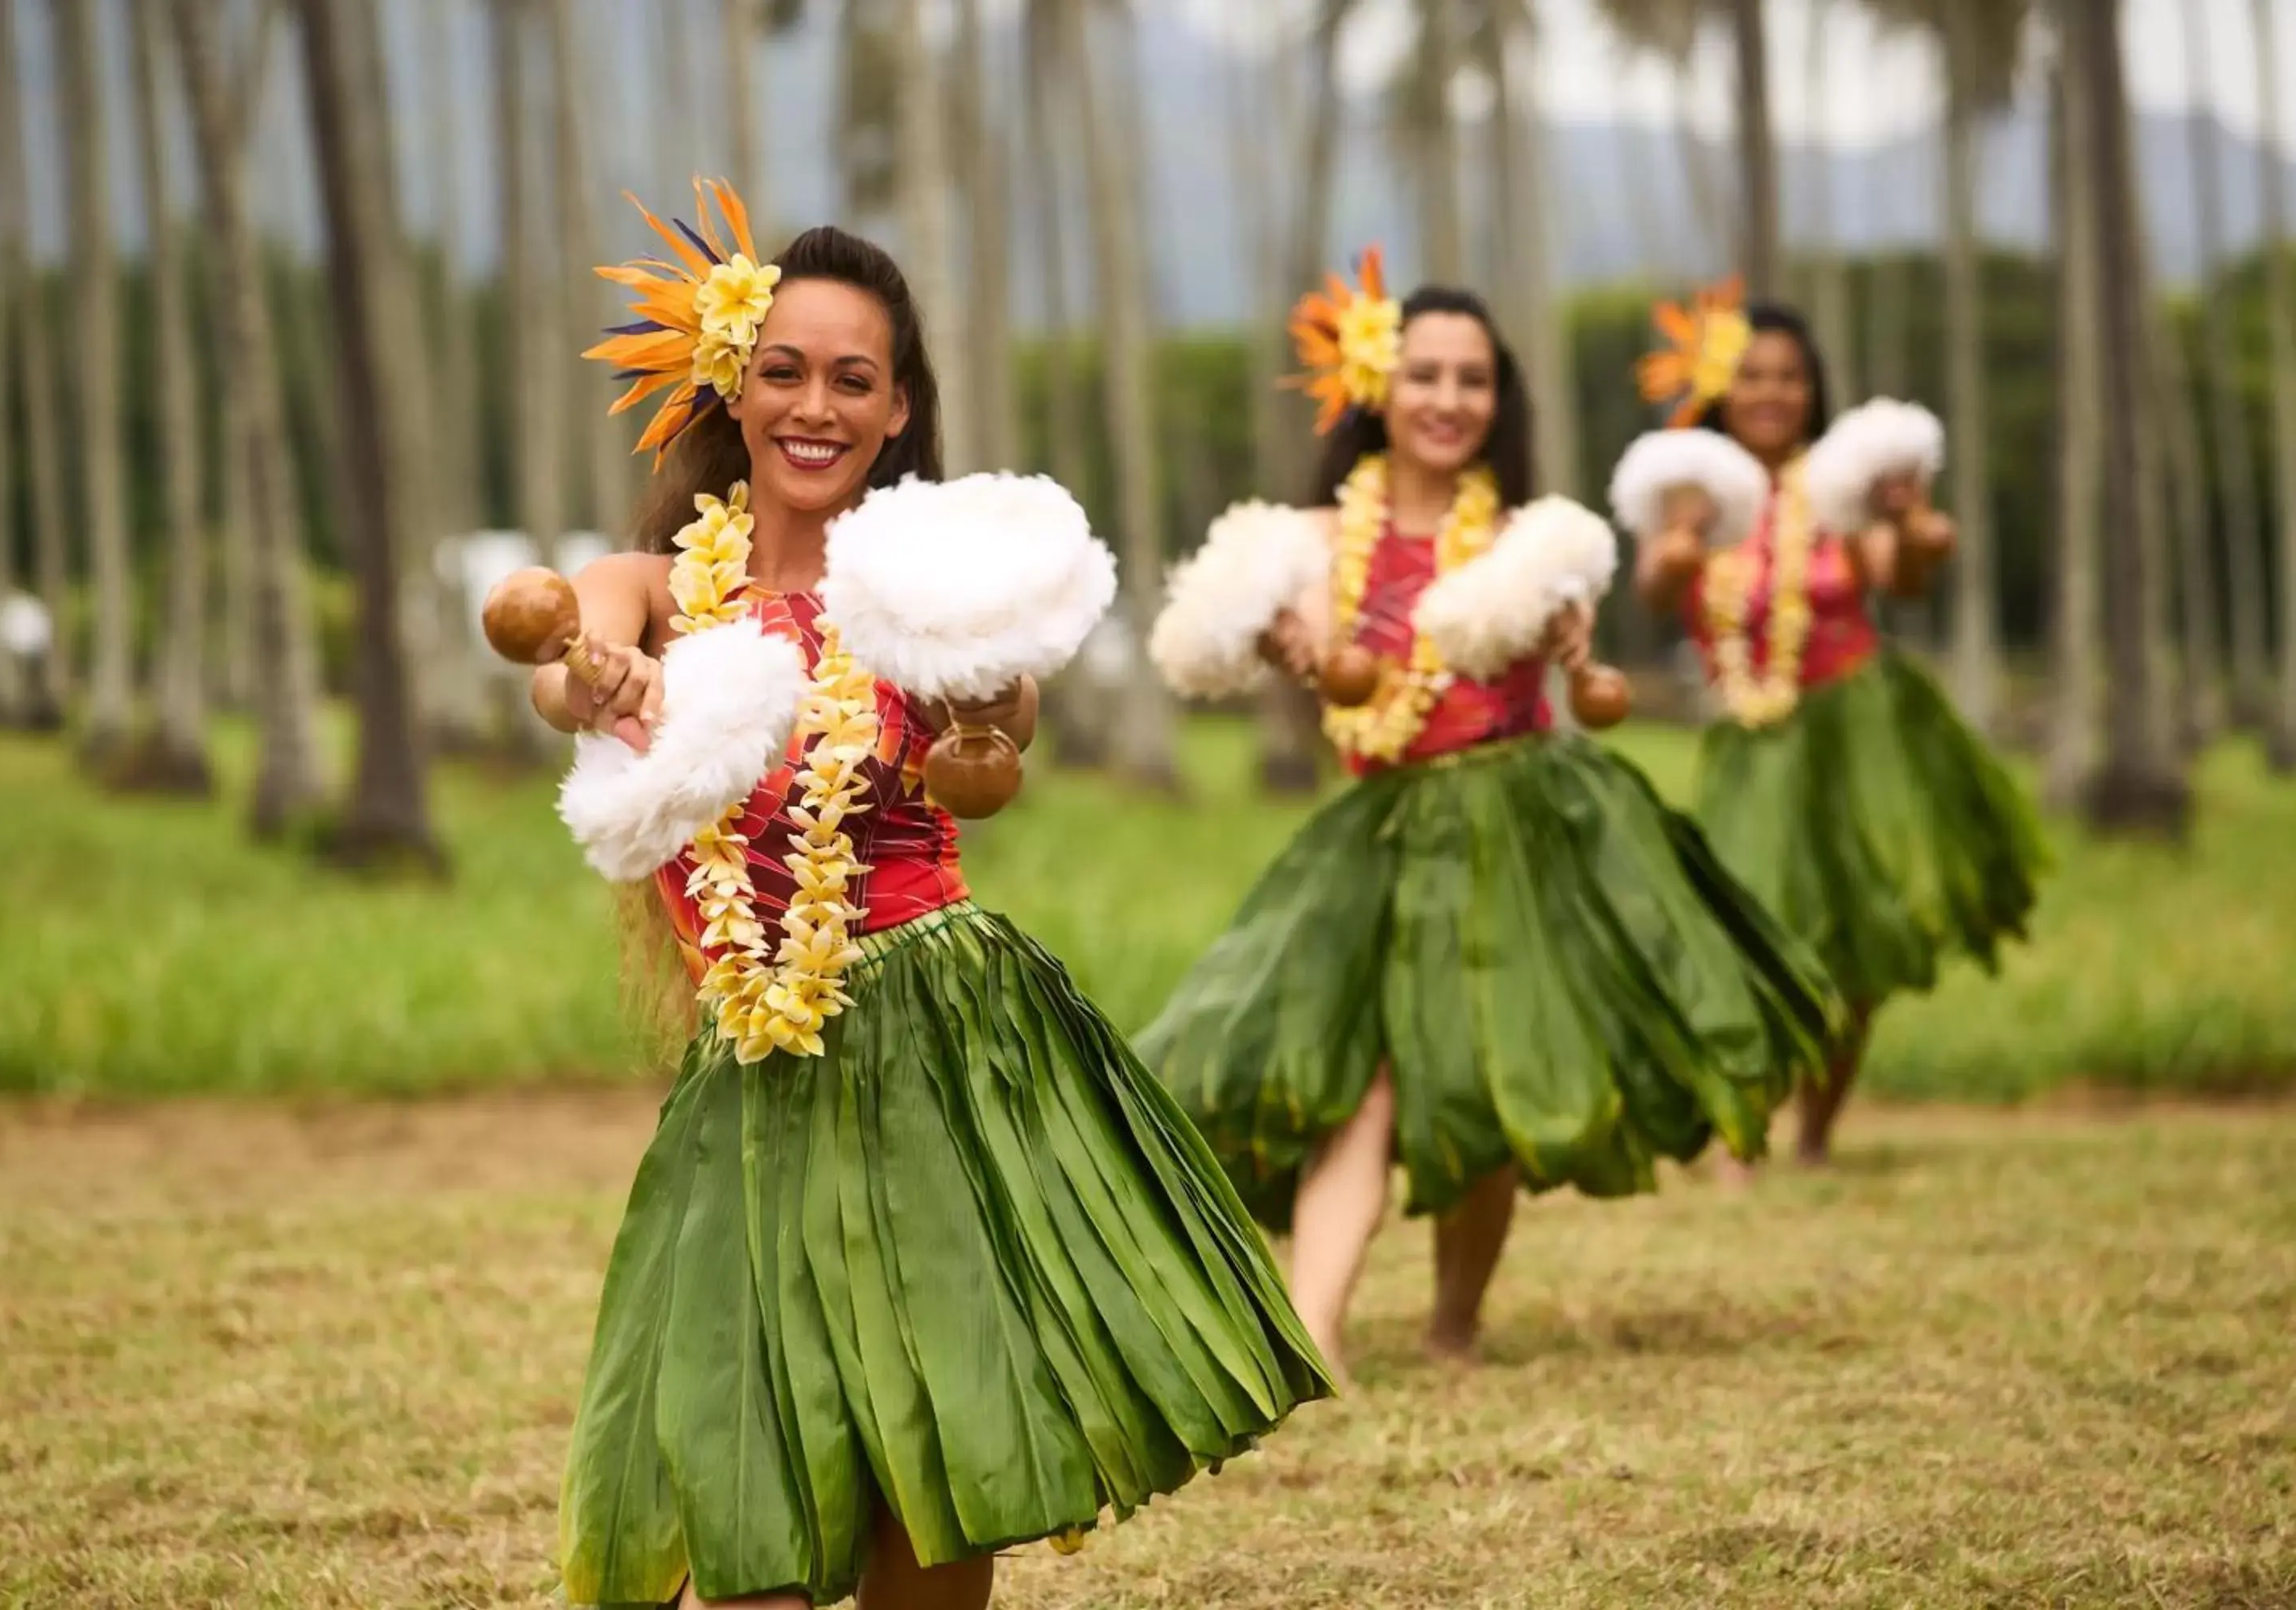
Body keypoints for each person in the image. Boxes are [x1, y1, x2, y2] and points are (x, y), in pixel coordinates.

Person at [522, 182, 1329, 1610]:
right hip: (753, 1076)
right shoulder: (650, 584)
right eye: (784, 371)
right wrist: (604, 674)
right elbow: (562, 659)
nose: (814, 406)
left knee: (938, 1479)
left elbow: (995, 737)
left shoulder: (928, 596)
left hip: (938, 1043)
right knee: (743, 1468)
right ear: (734, 384)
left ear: (900, 411)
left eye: (853, 379)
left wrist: (983, 708)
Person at [1134, 250, 1842, 1386]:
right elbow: (1348, 689)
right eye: (1425, 375)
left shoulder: (1537, 540)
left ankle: (1455, 1324)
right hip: (1379, 836)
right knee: (1357, 1085)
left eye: (1472, 379)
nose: (1449, 400)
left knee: (1482, 1084)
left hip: (1520, 826)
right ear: (1379, 386)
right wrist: (1305, 658)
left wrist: (1581, 658)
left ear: (1497, 398)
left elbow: (1597, 697)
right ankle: (1315, 1330)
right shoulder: (1312, 540)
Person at [1621, 283, 2050, 1170]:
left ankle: (1815, 1133)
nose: (1772, 393)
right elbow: (1658, 592)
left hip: (1859, 734)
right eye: (1753, 376)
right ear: (1720, 388)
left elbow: (1907, 572)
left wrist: (1915, 524)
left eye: (1790, 376)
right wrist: (1675, 548)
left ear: (1812, 388)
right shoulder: (1689, 488)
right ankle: (1746, 1133)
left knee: (1854, 951)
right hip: (1750, 741)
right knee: (1746, 939)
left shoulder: (1842, 487)